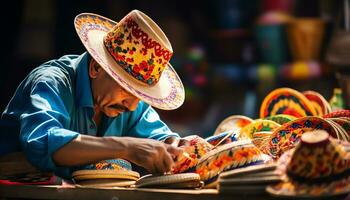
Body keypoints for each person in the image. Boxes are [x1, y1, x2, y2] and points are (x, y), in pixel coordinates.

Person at [1, 10, 187, 179]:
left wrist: (175, 147)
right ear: (96, 67)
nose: (131, 106)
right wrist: (127, 147)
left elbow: (164, 139)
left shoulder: (130, 103)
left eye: (141, 96)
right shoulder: (51, 81)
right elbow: (42, 143)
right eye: (126, 89)